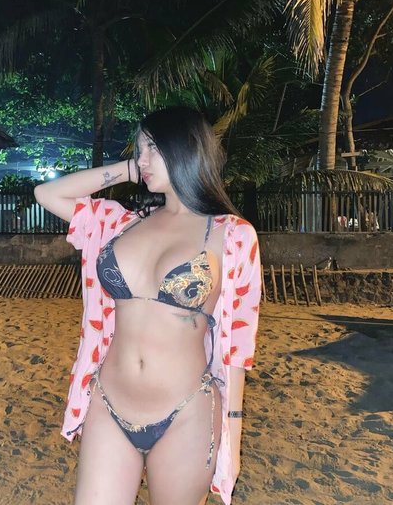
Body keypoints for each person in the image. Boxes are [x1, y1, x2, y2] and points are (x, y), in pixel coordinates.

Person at [34, 107, 261, 505]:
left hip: (187, 412)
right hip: (108, 403)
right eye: (139, 149)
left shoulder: (232, 235)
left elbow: (239, 346)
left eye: (153, 148)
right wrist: (128, 169)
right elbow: (47, 194)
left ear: (185, 148)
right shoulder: (119, 222)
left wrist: (233, 434)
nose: (142, 158)